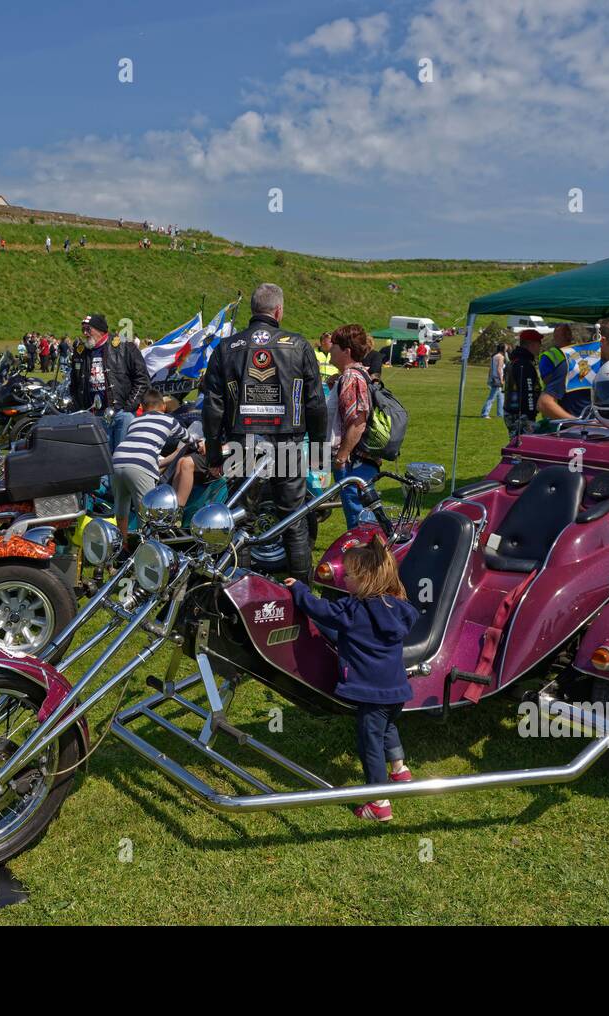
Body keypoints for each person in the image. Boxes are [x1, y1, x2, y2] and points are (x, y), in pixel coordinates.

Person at [283, 535, 419, 822]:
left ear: (367, 579)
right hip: (396, 691)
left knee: (370, 745)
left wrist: (299, 590)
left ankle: (379, 803)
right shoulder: (399, 609)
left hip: (371, 694)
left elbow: (321, 611)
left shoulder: (353, 610)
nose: (343, 579)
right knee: (387, 728)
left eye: (350, 576)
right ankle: (400, 769)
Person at [201, 282, 326, 583]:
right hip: (288, 443)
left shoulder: (226, 347)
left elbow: (212, 407)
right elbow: (316, 403)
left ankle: (240, 586)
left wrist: (215, 452)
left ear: (253, 310)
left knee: (241, 519)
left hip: (242, 444)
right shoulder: (298, 345)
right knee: (294, 519)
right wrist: (320, 451)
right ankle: (302, 591)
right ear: (279, 311)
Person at [110, 390, 202, 534]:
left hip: (117, 461)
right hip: (141, 465)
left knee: (121, 511)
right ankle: (147, 550)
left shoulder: (134, 421)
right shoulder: (169, 420)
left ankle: (122, 547)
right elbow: (188, 439)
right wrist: (197, 446)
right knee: (148, 515)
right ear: (164, 406)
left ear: (142, 406)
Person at [328, 324, 381, 529]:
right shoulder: (353, 375)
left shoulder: (352, 377)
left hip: (352, 461)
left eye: (334, 346)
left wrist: (341, 457)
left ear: (346, 351)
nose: (329, 350)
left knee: (360, 521)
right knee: (362, 516)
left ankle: (368, 560)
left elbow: (358, 423)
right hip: (357, 460)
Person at [70, 313, 149, 450]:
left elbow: (142, 378)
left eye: (88, 329)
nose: (84, 333)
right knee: (100, 460)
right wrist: (80, 407)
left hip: (121, 413)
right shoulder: (81, 351)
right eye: (82, 329)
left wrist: (128, 407)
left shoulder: (124, 346)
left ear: (100, 330)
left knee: (121, 457)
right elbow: (75, 382)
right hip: (94, 415)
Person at [537, 318, 609, 421]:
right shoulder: (573, 364)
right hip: (578, 434)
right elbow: (544, 403)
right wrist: (579, 424)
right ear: (602, 341)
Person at [502, 328, 543, 438]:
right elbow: (528, 391)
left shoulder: (515, 361)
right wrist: (530, 415)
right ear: (531, 344)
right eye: (539, 343)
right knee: (522, 446)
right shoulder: (524, 364)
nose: (540, 347)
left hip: (511, 412)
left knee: (515, 443)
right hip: (522, 416)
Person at [481, 344, 505, 419]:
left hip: (493, 378)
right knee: (492, 397)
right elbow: (499, 369)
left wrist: (489, 378)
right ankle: (485, 413)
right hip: (497, 379)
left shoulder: (494, 356)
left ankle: (500, 414)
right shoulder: (501, 357)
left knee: (501, 397)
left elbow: (491, 368)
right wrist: (501, 379)